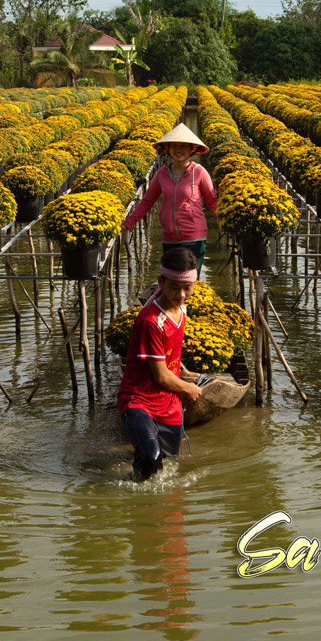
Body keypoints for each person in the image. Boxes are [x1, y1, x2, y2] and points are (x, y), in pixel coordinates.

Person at [117, 247, 206, 481]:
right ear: (161, 282)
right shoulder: (151, 320)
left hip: (169, 405)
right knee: (151, 457)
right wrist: (189, 388)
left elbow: (170, 352)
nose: (181, 294)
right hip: (139, 400)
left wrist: (184, 371)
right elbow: (161, 376)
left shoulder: (181, 310)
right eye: (174, 288)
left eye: (187, 288)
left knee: (167, 467)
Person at [122, 124, 216, 275]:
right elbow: (147, 201)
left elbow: (212, 201)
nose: (179, 150)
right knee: (171, 280)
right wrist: (128, 223)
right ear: (168, 149)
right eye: (175, 146)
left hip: (194, 236)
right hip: (169, 237)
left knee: (188, 281)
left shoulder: (199, 172)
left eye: (183, 146)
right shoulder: (161, 174)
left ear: (191, 149)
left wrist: (228, 222)